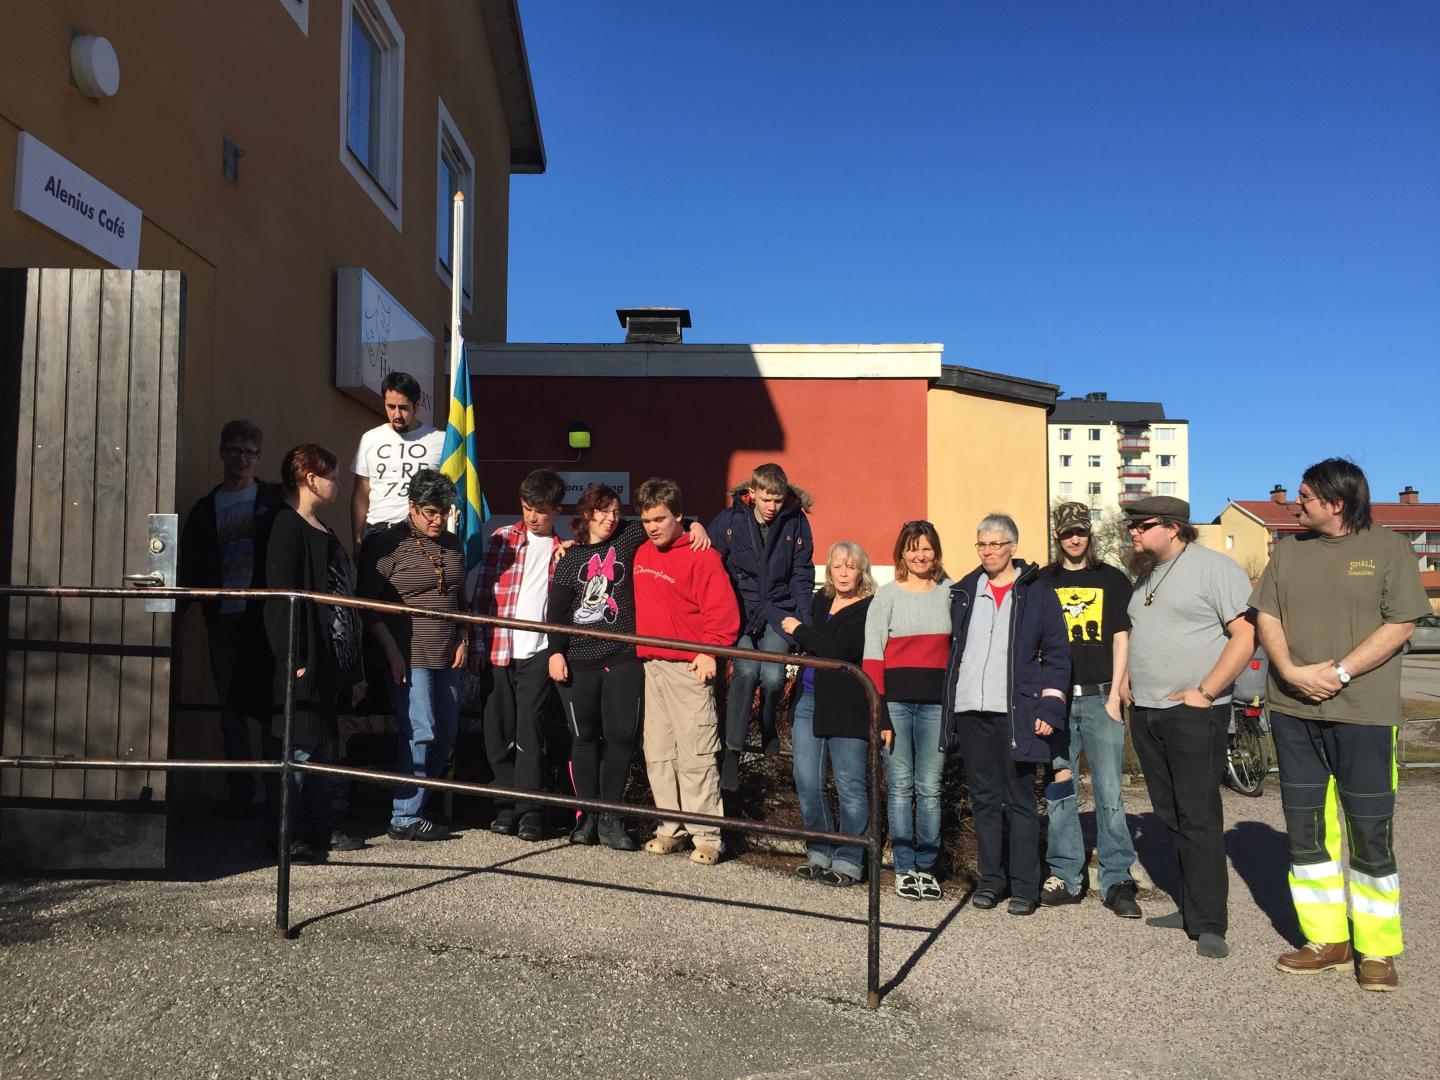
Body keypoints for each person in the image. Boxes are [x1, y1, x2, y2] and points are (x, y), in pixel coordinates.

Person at [1252, 459, 1429, 991]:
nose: (1295, 504)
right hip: (1294, 710)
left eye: (1305, 496)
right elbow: (1266, 616)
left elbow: (1401, 623)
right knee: (1307, 831)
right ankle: (1327, 940)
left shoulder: (1389, 549)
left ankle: (1377, 947)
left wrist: (1340, 672)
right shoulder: (1287, 552)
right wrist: (1289, 672)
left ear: (1337, 502)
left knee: (1370, 831)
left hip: (1364, 713)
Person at [1121, 496, 1254, 960]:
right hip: (1148, 710)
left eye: (1142, 525)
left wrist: (1206, 691)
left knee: (1198, 814)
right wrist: (1126, 682)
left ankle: (1210, 923)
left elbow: (1246, 634)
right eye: (1132, 525)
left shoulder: (1215, 569)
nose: (1133, 531)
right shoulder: (1147, 574)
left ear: (1174, 527)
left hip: (1195, 712)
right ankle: (1190, 906)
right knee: (1170, 813)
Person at [546, 484, 709, 851]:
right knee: (584, 738)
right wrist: (555, 652)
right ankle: (587, 817)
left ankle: (612, 817)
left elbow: (667, 522)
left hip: (622, 658)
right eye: (603, 512)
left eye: (616, 512)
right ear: (587, 514)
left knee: (620, 737)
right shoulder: (570, 558)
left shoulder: (629, 537)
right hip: (579, 660)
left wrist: (696, 525)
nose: (610, 519)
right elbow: (556, 611)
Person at [941, 514, 1071, 916]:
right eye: (982, 544)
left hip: (1016, 712)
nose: (988, 551)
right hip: (971, 710)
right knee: (983, 800)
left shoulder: (1037, 591)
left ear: (1013, 546)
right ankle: (991, 881)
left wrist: (1050, 706)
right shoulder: (965, 590)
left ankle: (1025, 887)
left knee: (1019, 801)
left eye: (995, 544)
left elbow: (1057, 653)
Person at [1039, 503, 1142, 918]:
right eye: (1067, 533)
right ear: (1057, 536)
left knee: (1109, 790)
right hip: (1058, 701)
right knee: (1061, 786)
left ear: (1089, 534)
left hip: (1101, 698)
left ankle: (1116, 878)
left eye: (1081, 532)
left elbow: (1121, 638)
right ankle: (1065, 874)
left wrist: (1116, 695)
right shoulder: (1043, 582)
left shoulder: (1112, 579)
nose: (1075, 539)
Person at [631, 478, 740, 865]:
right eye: (646, 520)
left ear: (679, 516)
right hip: (651, 666)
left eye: (660, 519)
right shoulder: (640, 551)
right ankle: (670, 828)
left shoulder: (702, 555)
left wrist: (711, 651)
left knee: (696, 754)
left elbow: (722, 610)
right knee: (659, 753)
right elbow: (597, 532)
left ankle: (707, 836)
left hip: (689, 667)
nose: (652, 527)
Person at [358, 469, 469, 842]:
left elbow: (461, 598)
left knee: (446, 733)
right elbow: (367, 604)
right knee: (421, 730)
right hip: (407, 653)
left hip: (447, 652)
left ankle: (419, 804)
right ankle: (404, 816)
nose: (438, 520)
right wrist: (391, 649)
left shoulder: (453, 544)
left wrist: (464, 637)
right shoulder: (388, 544)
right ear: (412, 507)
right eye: (430, 512)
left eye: (444, 512)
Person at [178, 419, 279, 814]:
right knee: (230, 708)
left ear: (259, 457)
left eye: (250, 453)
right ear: (222, 452)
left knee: (270, 706)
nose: (242, 459)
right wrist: (175, 611)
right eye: (236, 450)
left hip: (262, 616)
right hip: (222, 617)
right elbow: (191, 564)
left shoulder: (272, 501)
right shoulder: (205, 509)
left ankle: (276, 793)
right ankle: (241, 794)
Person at [263, 444, 357, 863]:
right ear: (310, 479)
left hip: (326, 653)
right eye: (332, 477)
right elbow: (280, 599)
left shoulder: (319, 524)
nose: (337, 483)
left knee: (317, 746)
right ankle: (287, 835)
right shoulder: (286, 525)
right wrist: (294, 657)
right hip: (303, 657)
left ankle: (319, 827)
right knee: (297, 748)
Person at [470, 469, 568, 842]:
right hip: (499, 646)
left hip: (538, 652)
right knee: (497, 727)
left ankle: (530, 810)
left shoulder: (563, 550)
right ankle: (503, 805)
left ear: (556, 510)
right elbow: (483, 595)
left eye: (540, 510)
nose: (532, 516)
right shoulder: (502, 539)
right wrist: (478, 644)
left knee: (530, 729)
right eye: (527, 508)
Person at [781, 541, 886, 887]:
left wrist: (799, 629)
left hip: (848, 704)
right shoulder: (820, 600)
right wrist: (807, 635)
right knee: (807, 781)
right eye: (837, 566)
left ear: (862, 572)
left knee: (850, 785)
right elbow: (819, 643)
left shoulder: (869, 607)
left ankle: (850, 859)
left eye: (850, 567)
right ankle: (819, 851)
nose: (843, 573)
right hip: (809, 699)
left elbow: (839, 649)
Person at [709, 463, 816, 790]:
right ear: (752, 493)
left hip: (779, 610)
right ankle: (733, 753)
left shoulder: (796, 521)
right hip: (739, 611)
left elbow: (802, 574)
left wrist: (805, 625)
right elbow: (711, 567)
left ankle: (768, 723)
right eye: (766, 499)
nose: (772, 507)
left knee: (772, 676)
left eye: (778, 500)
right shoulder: (729, 521)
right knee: (745, 671)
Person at [863, 521, 953, 901]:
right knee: (900, 787)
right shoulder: (886, 596)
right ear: (901, 552)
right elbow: (872, 657)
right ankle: (904, 868)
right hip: (896, 707)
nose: (920, 555)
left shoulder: (951, 593)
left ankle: (927, 868)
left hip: (936, 707)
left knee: (930, 788)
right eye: (913, 548)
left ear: (936, 552)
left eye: (926, 548)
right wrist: (880, 714)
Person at [350, 371, 447, 554]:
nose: (396, 414)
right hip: (378, 532)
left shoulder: (440, 440)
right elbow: (361, 493)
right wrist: (357, 540)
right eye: (390, 406)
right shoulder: (370, 439)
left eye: (403, 407)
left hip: (422, 533)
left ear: (417, 405)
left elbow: (452, 490)